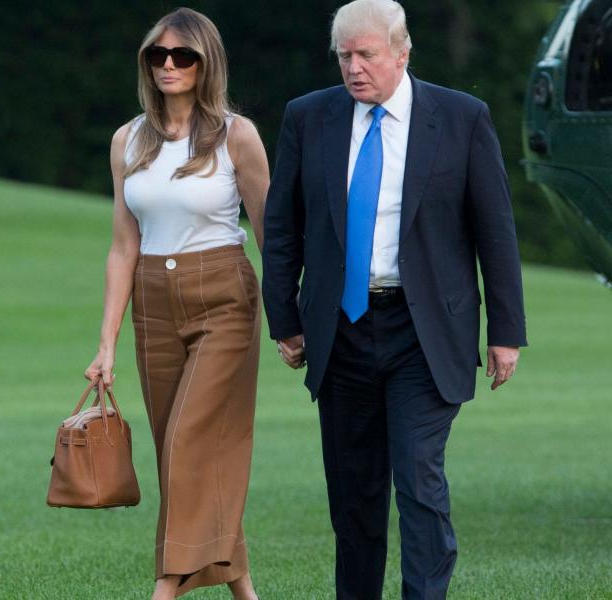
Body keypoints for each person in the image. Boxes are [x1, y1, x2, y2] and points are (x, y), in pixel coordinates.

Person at [261, 0, 527, 598]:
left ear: (402, 52)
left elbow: (495, 230)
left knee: (417, 480)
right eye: (344, 56)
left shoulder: (461, 118)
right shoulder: (309, 118)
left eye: (366, 55)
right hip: (342, 330)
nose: (354, 68)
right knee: (354, 496)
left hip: (425, 332)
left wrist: (505, 331)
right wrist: (286, 318)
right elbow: (282, 227)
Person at [84, 8, 270, 600]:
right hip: (153, 304)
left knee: (192, 443)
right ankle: (244, 591)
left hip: (224, 297)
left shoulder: (236, 135)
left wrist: (292, 324)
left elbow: (271, 234)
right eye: (157, 55)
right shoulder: (127, 139)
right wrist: (106, 343)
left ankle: (164, 590)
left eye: (182, 55)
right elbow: (121, 246)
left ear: (204, 62)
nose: (168, 65)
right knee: (178, 454)